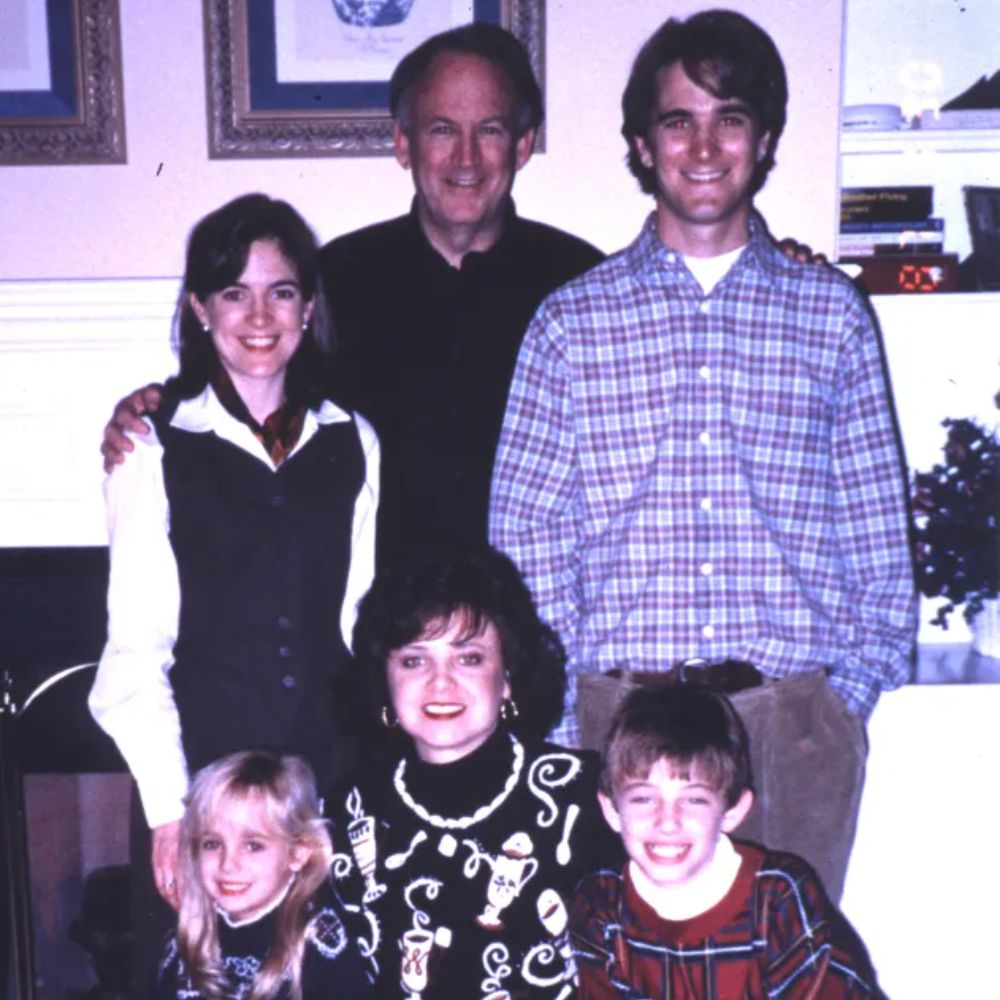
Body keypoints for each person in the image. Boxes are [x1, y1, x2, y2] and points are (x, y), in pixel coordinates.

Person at [489, 10, 916, 903]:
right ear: (643, 146)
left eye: (730, 117)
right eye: (678, 120)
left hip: (790, 722)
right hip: (624, 725)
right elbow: (524, 538)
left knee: (783, 974)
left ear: (763, 141)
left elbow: (877, 533)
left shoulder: (830, 316)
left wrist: (841, 706)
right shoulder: (572, 324)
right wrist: (575, 719)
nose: (704, 144)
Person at [99, 24, 603, 561]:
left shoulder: (582, 285)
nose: (466, 159)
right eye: (441, 130)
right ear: (403, 144)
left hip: (528, 613)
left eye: (491, 131)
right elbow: (252, 392)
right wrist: (155, 409)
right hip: (368, 620)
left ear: (522, 145)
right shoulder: (336, 276)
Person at [88, 194, 379, 979]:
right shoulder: (152, 446)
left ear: (308, 306)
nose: (258, 314)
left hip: (316, 793)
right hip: (201, 794)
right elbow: (134, 644)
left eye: (281, 291)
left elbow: (353, 619)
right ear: (199, 308)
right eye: (232, 292)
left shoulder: (354, 440)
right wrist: (169, 814)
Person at [326, 542, 621, 998]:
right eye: (413, 660)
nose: (439, 682)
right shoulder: (350, 807)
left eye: (468, 658)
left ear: (507, 676)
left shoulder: (588, 797)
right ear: (383, 678)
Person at [570, 685, 883, 999]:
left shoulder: (777, 896)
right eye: (643, 799)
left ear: (733, 811)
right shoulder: (600, 903)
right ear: (611, 810)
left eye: (693, 800)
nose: (667, 821)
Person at [156, 749, 372, 998]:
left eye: (253, 846)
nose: (228, 865)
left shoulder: (320, 942)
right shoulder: (189, 933)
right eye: (212, 844)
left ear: (298, 852)